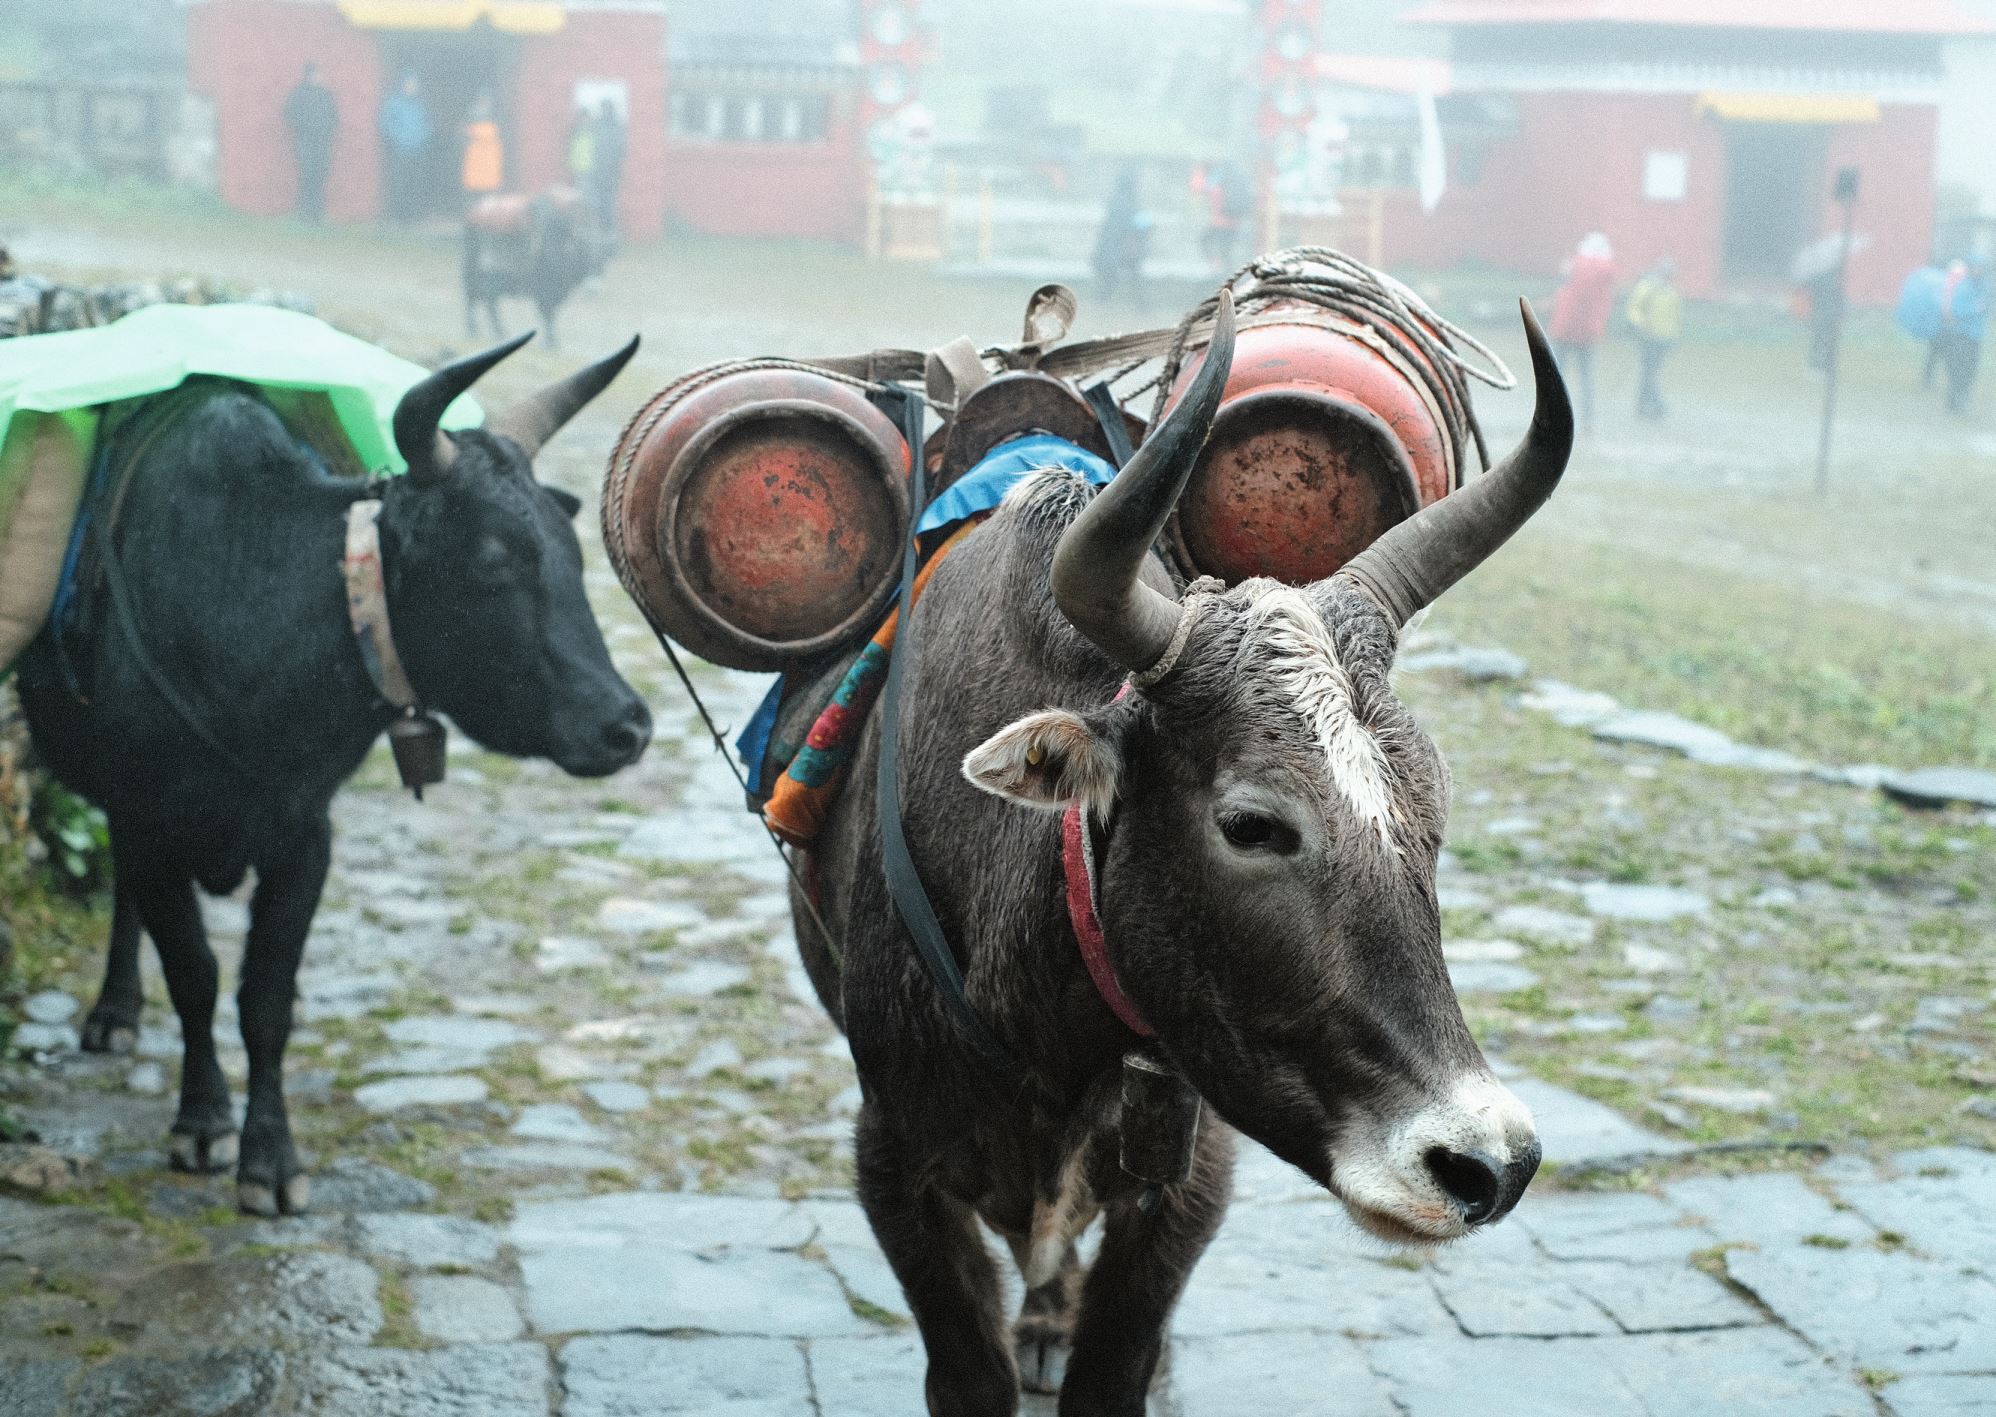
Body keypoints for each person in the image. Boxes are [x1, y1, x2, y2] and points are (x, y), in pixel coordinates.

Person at [1548, 232, 1616, 430]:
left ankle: (1553, 414)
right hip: (1588, 333)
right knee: (1586, 377)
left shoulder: (1573, 265)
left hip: (1564, 328)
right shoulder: (1607, 273)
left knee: (1556, 376)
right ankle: (1588, 418)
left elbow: (1564, 294)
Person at [1624, 256, 1681, 421]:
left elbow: (1675, 316)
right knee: (1649, 371)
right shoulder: (1647, 288)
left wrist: (1674, 336)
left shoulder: (1671, 291)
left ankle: (1641, 404)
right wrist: (1640, 324)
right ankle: (1656, 403)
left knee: (1650, 371)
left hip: (1665, 339)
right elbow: (1634, 308)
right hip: (1648, 337)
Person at [283, 63, 339, 224]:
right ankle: (304, 213)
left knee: (320, 177)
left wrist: (327, 130)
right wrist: (304, 126)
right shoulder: (298, 94)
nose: (317, 77)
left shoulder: (325, 95)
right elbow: (288, 114)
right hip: (305, 142)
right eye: (314, 74)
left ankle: (318, 213)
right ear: (307, 75)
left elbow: (334, 116)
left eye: (318, 74)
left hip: (322, 142)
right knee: (306, 176)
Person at [1092, 166, 1151, 305]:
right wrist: (1146, 225)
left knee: (1120, 276)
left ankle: (1105, 300)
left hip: (1115, 246)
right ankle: (1140, 305)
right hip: (1120, 246)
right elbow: (1133, 222)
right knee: (1129, 275)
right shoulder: (1126, 202)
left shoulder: (1117, 200)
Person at [377, 72, 431, 224]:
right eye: (409, 84)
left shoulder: (420, 105)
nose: (412, 87)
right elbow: (385, 124)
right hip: (400, 150)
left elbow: (426, 124)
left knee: (415, 183)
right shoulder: (394, 103)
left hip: (417, 151)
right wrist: (397, 140)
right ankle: (400, 217)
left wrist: (422, 138)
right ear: (403, 85)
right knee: (401, 183)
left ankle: (413, 216)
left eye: (414, 85)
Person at [1941, 257, 1990, 416]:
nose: (1978, 271)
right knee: (1959, 369)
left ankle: (1963, 397)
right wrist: (1976, 308)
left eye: (1981, 267)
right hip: (1962, 335)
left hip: (1976, 336)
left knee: (1971, 370)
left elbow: (1988, 306)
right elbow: (1957, 310)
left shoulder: (1984, 287)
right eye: (1976, 267)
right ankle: (1954, 399)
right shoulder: (1964, 287)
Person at [461, 93, 505, 210]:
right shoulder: (471, 115)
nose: (485, 101)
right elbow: (465, 134)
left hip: (490, 156)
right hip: (476, 157)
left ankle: (487, 210)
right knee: (475, 184)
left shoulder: (496, 116)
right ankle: (474, 210)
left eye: (487, 99)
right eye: (483, 98)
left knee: (489, 185)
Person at [592, 100, 627, 238]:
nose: (604, 111)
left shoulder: (616, 127)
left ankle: (612, 233)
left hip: (611, 173)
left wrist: (615, 169)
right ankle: (599, 232)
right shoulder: (597, 125)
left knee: (609, 203)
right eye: (602, 108)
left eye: (606, 108)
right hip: (597, 172)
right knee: (597, 204)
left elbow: (620, 150)